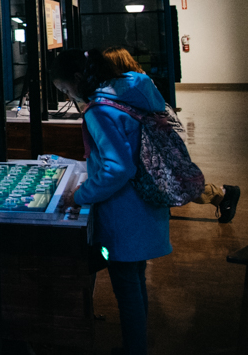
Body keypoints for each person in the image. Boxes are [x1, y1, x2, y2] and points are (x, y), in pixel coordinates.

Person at [52, 48, 171, 355]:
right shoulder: (132, 92)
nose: (68, 96)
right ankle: (137, 344)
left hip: (124, 213)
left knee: (126, 286)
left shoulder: (99, 110)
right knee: (136, 278)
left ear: (77, 78)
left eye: (65, 89)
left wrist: (79, 195)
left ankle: (134, 348)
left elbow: (117, 168)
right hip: (147, 203)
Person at [101, 46, 241, 223]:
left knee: (174, 182)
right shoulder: (135, 79)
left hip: (164, 135)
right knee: (168, 180)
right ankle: (219, 195)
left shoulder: (133, 84)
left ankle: (222, 195)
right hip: (162, 134)